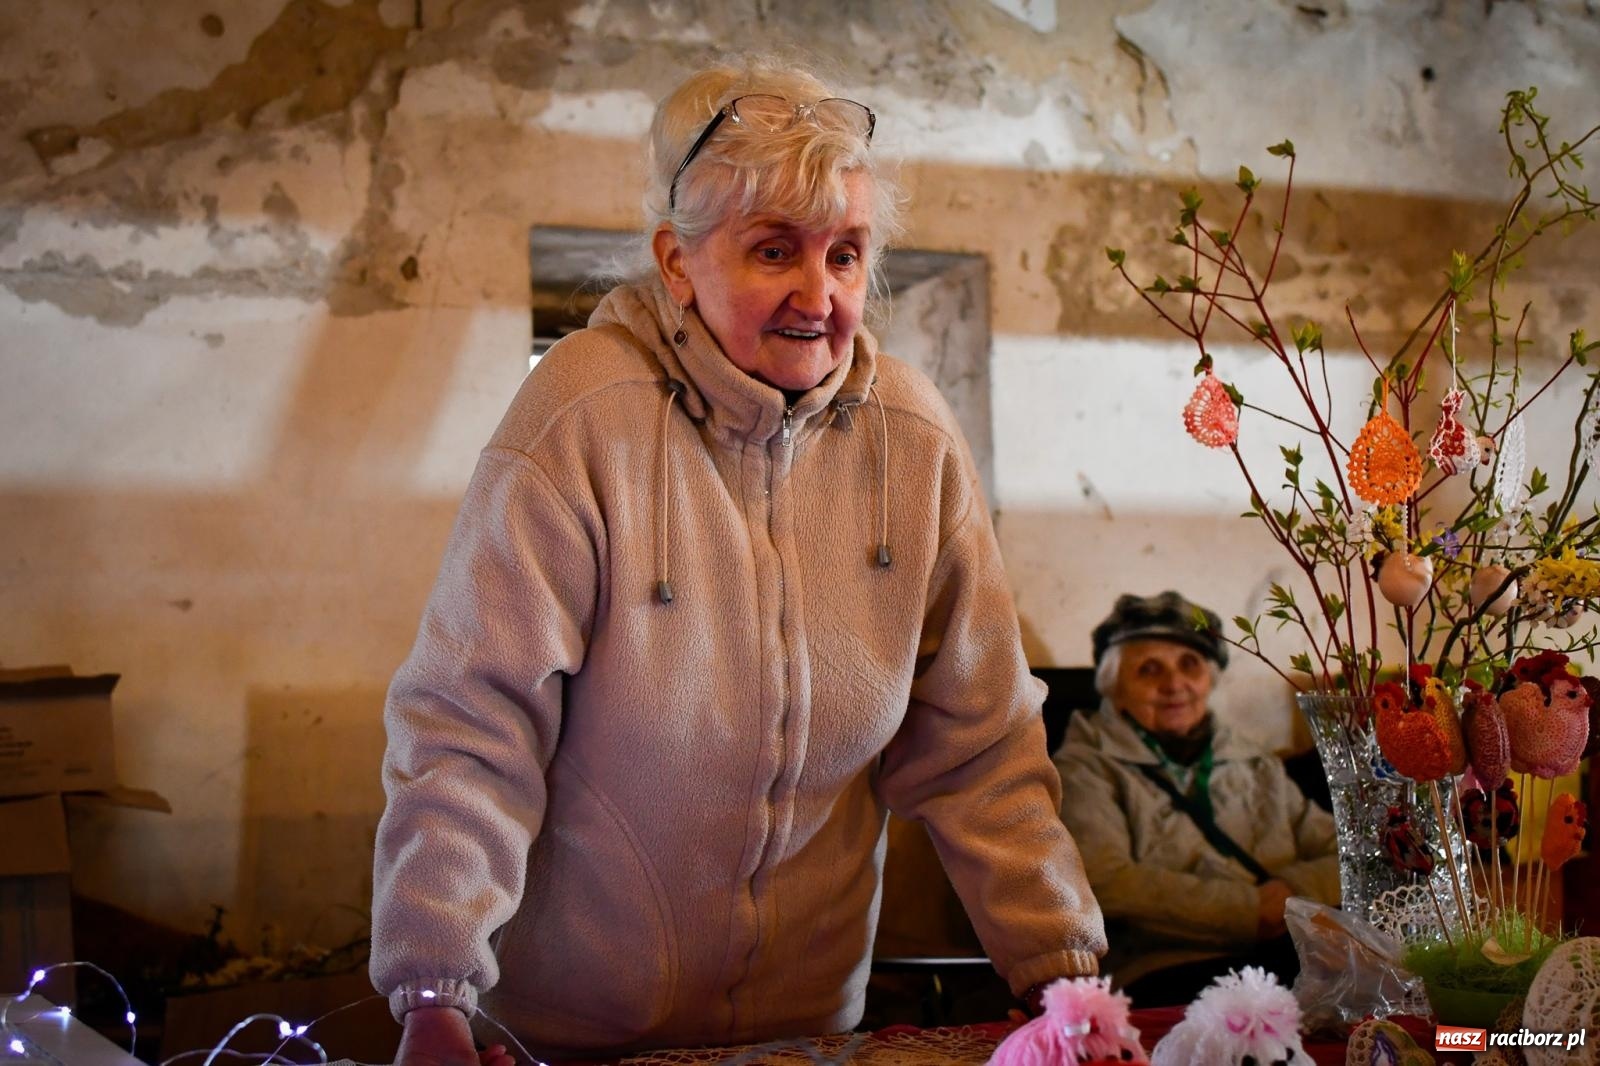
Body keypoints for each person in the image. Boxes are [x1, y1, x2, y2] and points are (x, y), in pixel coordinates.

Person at [369, 55, 1106, 1063]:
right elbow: (472, 722)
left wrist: (1061, 975)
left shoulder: (913, 439)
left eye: (845, 254)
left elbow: (981, 748)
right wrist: (434, 987)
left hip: (808, 1030)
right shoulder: (583, 417)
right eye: (774, 251)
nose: (818, 294)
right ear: (678, 263)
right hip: (573, 1036)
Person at [1052, 590, 1338, 1007]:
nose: (1174, 685)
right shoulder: (1084, 769)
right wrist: (1245, 910)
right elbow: (1106, 882)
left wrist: (1289, 896)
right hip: (1164, 969)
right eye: (1149, 670)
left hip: (1284, 956)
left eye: (1190, 665)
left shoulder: (1254, 763)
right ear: (1115, 690)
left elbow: (1344, 851)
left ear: (1209, 679)